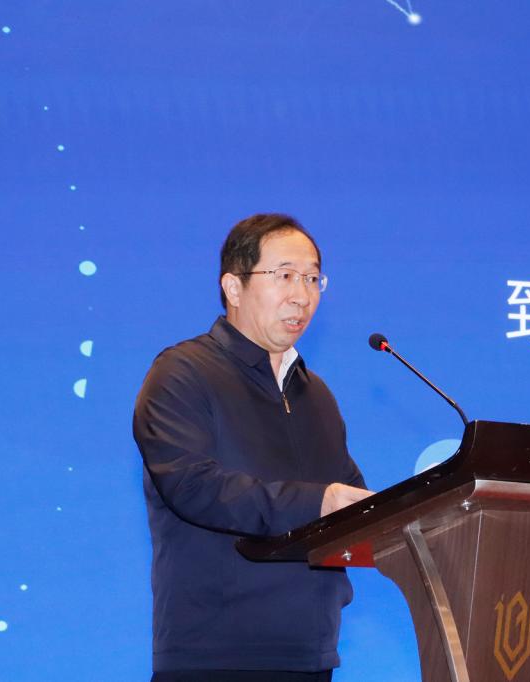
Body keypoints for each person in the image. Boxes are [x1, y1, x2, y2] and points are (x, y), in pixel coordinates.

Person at [133, 213, 373, 682]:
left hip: (310, 655)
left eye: (312, 279)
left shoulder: (318, 396)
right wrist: (318, 503)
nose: (302, 295)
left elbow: (353, 503)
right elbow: (192, 486)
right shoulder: (182, 374)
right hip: (215, 655)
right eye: (284, 276)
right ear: (233, 287)